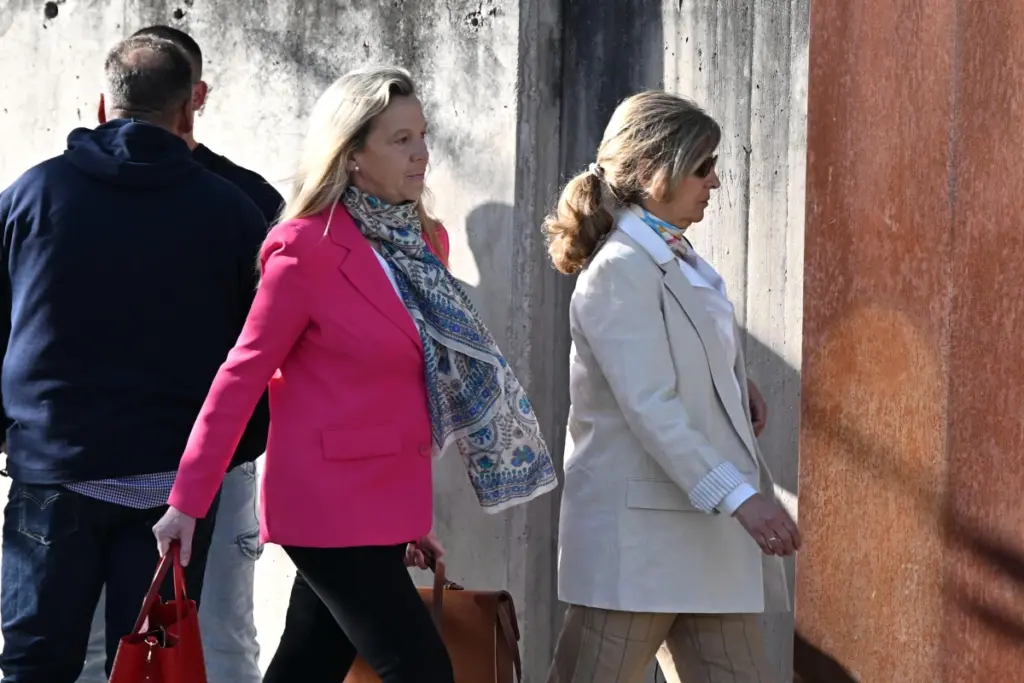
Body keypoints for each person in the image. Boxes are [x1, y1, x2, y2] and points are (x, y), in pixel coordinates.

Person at [150, 65, 559, 683]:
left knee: (308, 665)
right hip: (326, 506)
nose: (421, 154)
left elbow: (406, 387)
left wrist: (411, 518)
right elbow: (242, 375)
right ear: (352, 156)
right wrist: (188, 500)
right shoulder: (303, 249)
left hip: (383, 503)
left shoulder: (421, 245)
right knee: (422, 671)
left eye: (423, 135)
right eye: (401, 140)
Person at [0, 35, 269, 683]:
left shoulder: (33, 194)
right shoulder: (233, 210)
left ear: (103, 104)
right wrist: (229, 453)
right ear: (187, 110)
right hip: (174, 493)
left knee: (35, 664)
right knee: (153, 668)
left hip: (54, 473)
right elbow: (257, 351)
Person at [542, 91, 801, 683]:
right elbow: (649, 405)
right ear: (651, 171)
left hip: (701, 541)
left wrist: (731, 378)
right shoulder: (618, 269)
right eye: (701, 166)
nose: (715, 182)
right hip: (641, 548)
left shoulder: (669, 256)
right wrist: (742, 498)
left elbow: (667, 362)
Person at [78, 25, 282, 683]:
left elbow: (270, 338)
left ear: (196, 97)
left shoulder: (248, 200)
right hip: (99, 460)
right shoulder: (73, 187)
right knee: (96, 648)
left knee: (218, 637)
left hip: (215, 456)